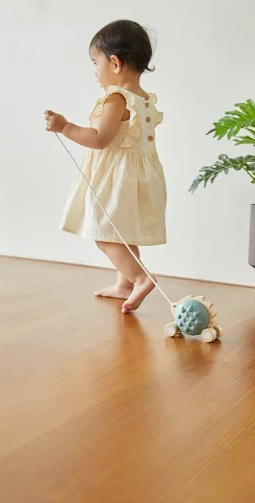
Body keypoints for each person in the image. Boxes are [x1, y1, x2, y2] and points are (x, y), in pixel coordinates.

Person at [44, 19, 167, 313]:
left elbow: (100, 139)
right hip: (142, 177)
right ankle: (124, 284)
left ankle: (140, 278)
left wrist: (65, 127)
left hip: (118, 178)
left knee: (104, 233)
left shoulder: (116, 99)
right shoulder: (144, 100)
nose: (95, 73)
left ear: (114, 63)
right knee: (123, 232)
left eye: (95, 63)